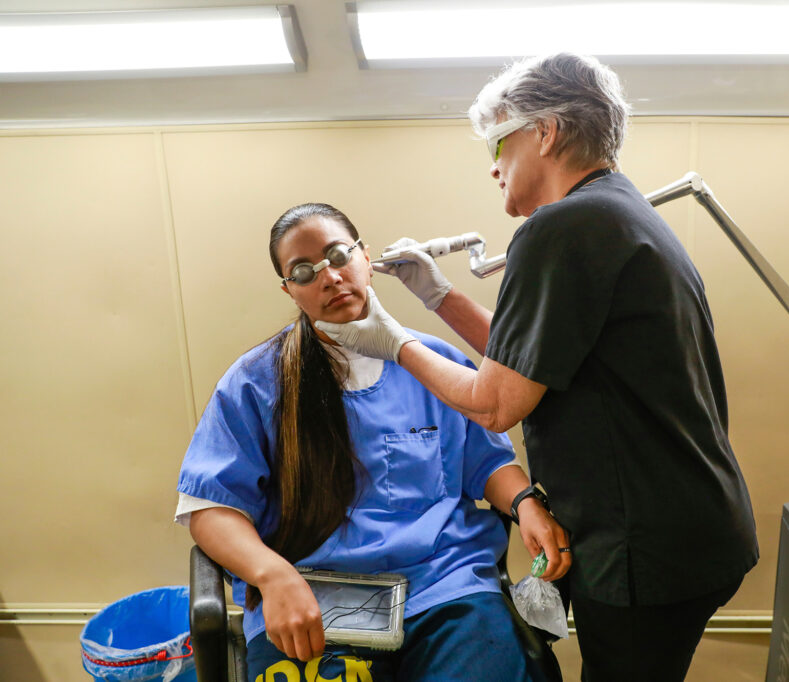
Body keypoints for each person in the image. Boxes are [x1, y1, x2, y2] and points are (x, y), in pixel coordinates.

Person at [316, 53, 759, 681]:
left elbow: (496, 403)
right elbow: (535, 358)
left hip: (648, 547)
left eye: (498, 143)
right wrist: (440, 298)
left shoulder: (564, 225)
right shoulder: (616, 211)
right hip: (691, 525)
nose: (494, 166)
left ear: (545, 132)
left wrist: (392, 341)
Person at [175, 203, 571, 682]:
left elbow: (485, 461)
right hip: (315, 596)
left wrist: (526, 502)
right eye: (304, 271)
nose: (329, 277)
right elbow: (209, 507)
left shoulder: (435, 363)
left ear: (366, 258)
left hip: (444, 587)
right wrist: (271, 575)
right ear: (289, 291)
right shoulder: (254, 384)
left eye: (339, 255)